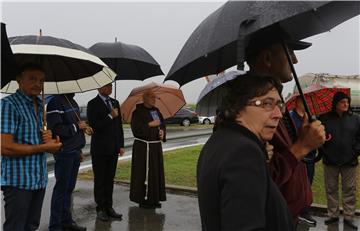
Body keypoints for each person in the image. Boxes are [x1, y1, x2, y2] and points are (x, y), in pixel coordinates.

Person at [244, 24, 326, 224]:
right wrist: (302, 146)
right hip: (271, 219)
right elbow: (259, 178)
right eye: (289, 52)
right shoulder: (250, 108)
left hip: (288, 215)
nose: (296, 60)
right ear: (267, 58)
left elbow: (281, 153)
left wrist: (303, 138)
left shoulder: (272, 98)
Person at [197, 73, 294, 230]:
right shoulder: (244, 153)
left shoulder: (219, 141)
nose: (278, 114)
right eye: (267, 104)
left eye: (279, 105)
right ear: (238, 108)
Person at [1, 63, 62, 231]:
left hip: (38, 179)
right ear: (19, 80)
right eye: (32, 79)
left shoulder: (38, 106)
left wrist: (48, 140)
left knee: (31, 226)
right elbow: (5, 147)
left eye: (41, 80)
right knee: (16, 227)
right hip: (18, 181)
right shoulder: (9, 105)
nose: (38, 84)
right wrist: (41, 148)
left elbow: (34, 141)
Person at [47, 93, 87, 231]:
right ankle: (55, 225)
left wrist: (79, 150)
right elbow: (56, 129)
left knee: (69, 189)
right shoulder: (55, 102)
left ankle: (66, 221)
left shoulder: (72, 102)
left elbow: (78, 127)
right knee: (61, 189)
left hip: (74, 151)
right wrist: (76, 127)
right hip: (64, 152)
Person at [319, 92, 360, 229]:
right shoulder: (324, 118)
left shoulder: (356, 119)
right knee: (331, 189)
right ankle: (333, 215)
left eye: (347, 102)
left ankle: (349, 217)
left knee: (349, 190)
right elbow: (319, 138)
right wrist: (324, 148)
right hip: (330, 161)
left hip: (350, 161)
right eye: (342, 102)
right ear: (335, 103)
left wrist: (355, 153)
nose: (346, 104)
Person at [87, 83, 125, 221]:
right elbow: (94, 126)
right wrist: (110, 116)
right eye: (107, 86)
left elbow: (118, 126)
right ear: (98, 88)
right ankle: (101, 208)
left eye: (111, 86)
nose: (110, 88)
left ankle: (109, 207)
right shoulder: (92, 104)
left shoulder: (115, 102)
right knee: (100, 180)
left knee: (110, 180)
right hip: (100, 149)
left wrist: (121, 145)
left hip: (113, 148)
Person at [130, 90, 166, 209]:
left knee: (155, 173)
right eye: (151, 97)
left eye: (155, 97)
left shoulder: (156, 111)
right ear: (144, 98)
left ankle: (154, 198)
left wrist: (162, 132)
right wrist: (150, 125)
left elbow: (161, 125)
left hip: (155, 147)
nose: (154, 99)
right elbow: (136, 130)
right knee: (143, 173)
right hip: (143, 148)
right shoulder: (137, 113)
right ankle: (142, 198)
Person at [289, 96, 317, 226]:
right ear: (296, 102)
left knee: (308, 183)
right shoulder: (290, 118)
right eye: (302, 100)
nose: (306, 103)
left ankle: (305, 210)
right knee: (297, 185)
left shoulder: (312, 117)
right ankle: (298, 211)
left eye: (307, 100)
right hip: (298, 157)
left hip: (310, 158)